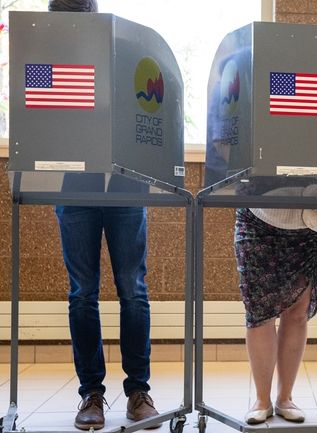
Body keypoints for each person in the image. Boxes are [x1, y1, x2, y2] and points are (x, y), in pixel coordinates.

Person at [49, 1, 161, 430]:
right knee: (83, 293)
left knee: (133, 289)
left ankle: (137, 391)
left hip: (125, 181)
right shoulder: (49, 60)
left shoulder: (125, 50)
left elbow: (148, 109)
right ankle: (91, 394)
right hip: (75, 183)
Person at [234, 180, 317, 425]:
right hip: (259, 214)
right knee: (259, 312)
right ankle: (262, 400)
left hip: (312, 218)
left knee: (298, 313)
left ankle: (285, 398)